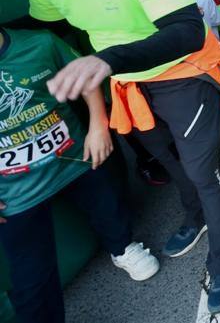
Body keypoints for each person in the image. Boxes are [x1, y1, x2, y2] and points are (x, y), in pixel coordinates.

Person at [1, 0, 220, 314]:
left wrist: (106, 61)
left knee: (204, 170)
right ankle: (194, 219)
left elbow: (187, 32)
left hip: (183, 73)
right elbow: (51, 27)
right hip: (127, 84)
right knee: (170, 162)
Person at [0, 27, 161, 323]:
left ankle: (122, 248)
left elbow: (86, 75)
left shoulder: (39, 42)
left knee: (107, 203)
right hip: (15, 192)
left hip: (74, 159)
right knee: (31, 278)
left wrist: (98, 125)